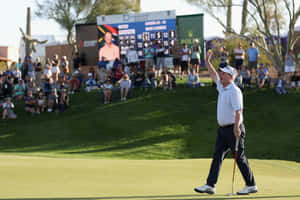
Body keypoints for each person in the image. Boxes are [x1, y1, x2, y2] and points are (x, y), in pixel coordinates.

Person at [194, 50, 257, 195]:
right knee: (217, 156)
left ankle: (251, 184)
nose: (220, 75)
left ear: (230, 76)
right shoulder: (222, 88)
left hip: (234, 129)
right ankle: (210, 185)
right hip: (222, 130)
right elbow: (213, 75)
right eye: (220, 73)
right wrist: (208, 62)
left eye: (223, 73)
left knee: (239, 157)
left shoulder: (234, 91)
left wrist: (236, 128)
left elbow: (238, 111)